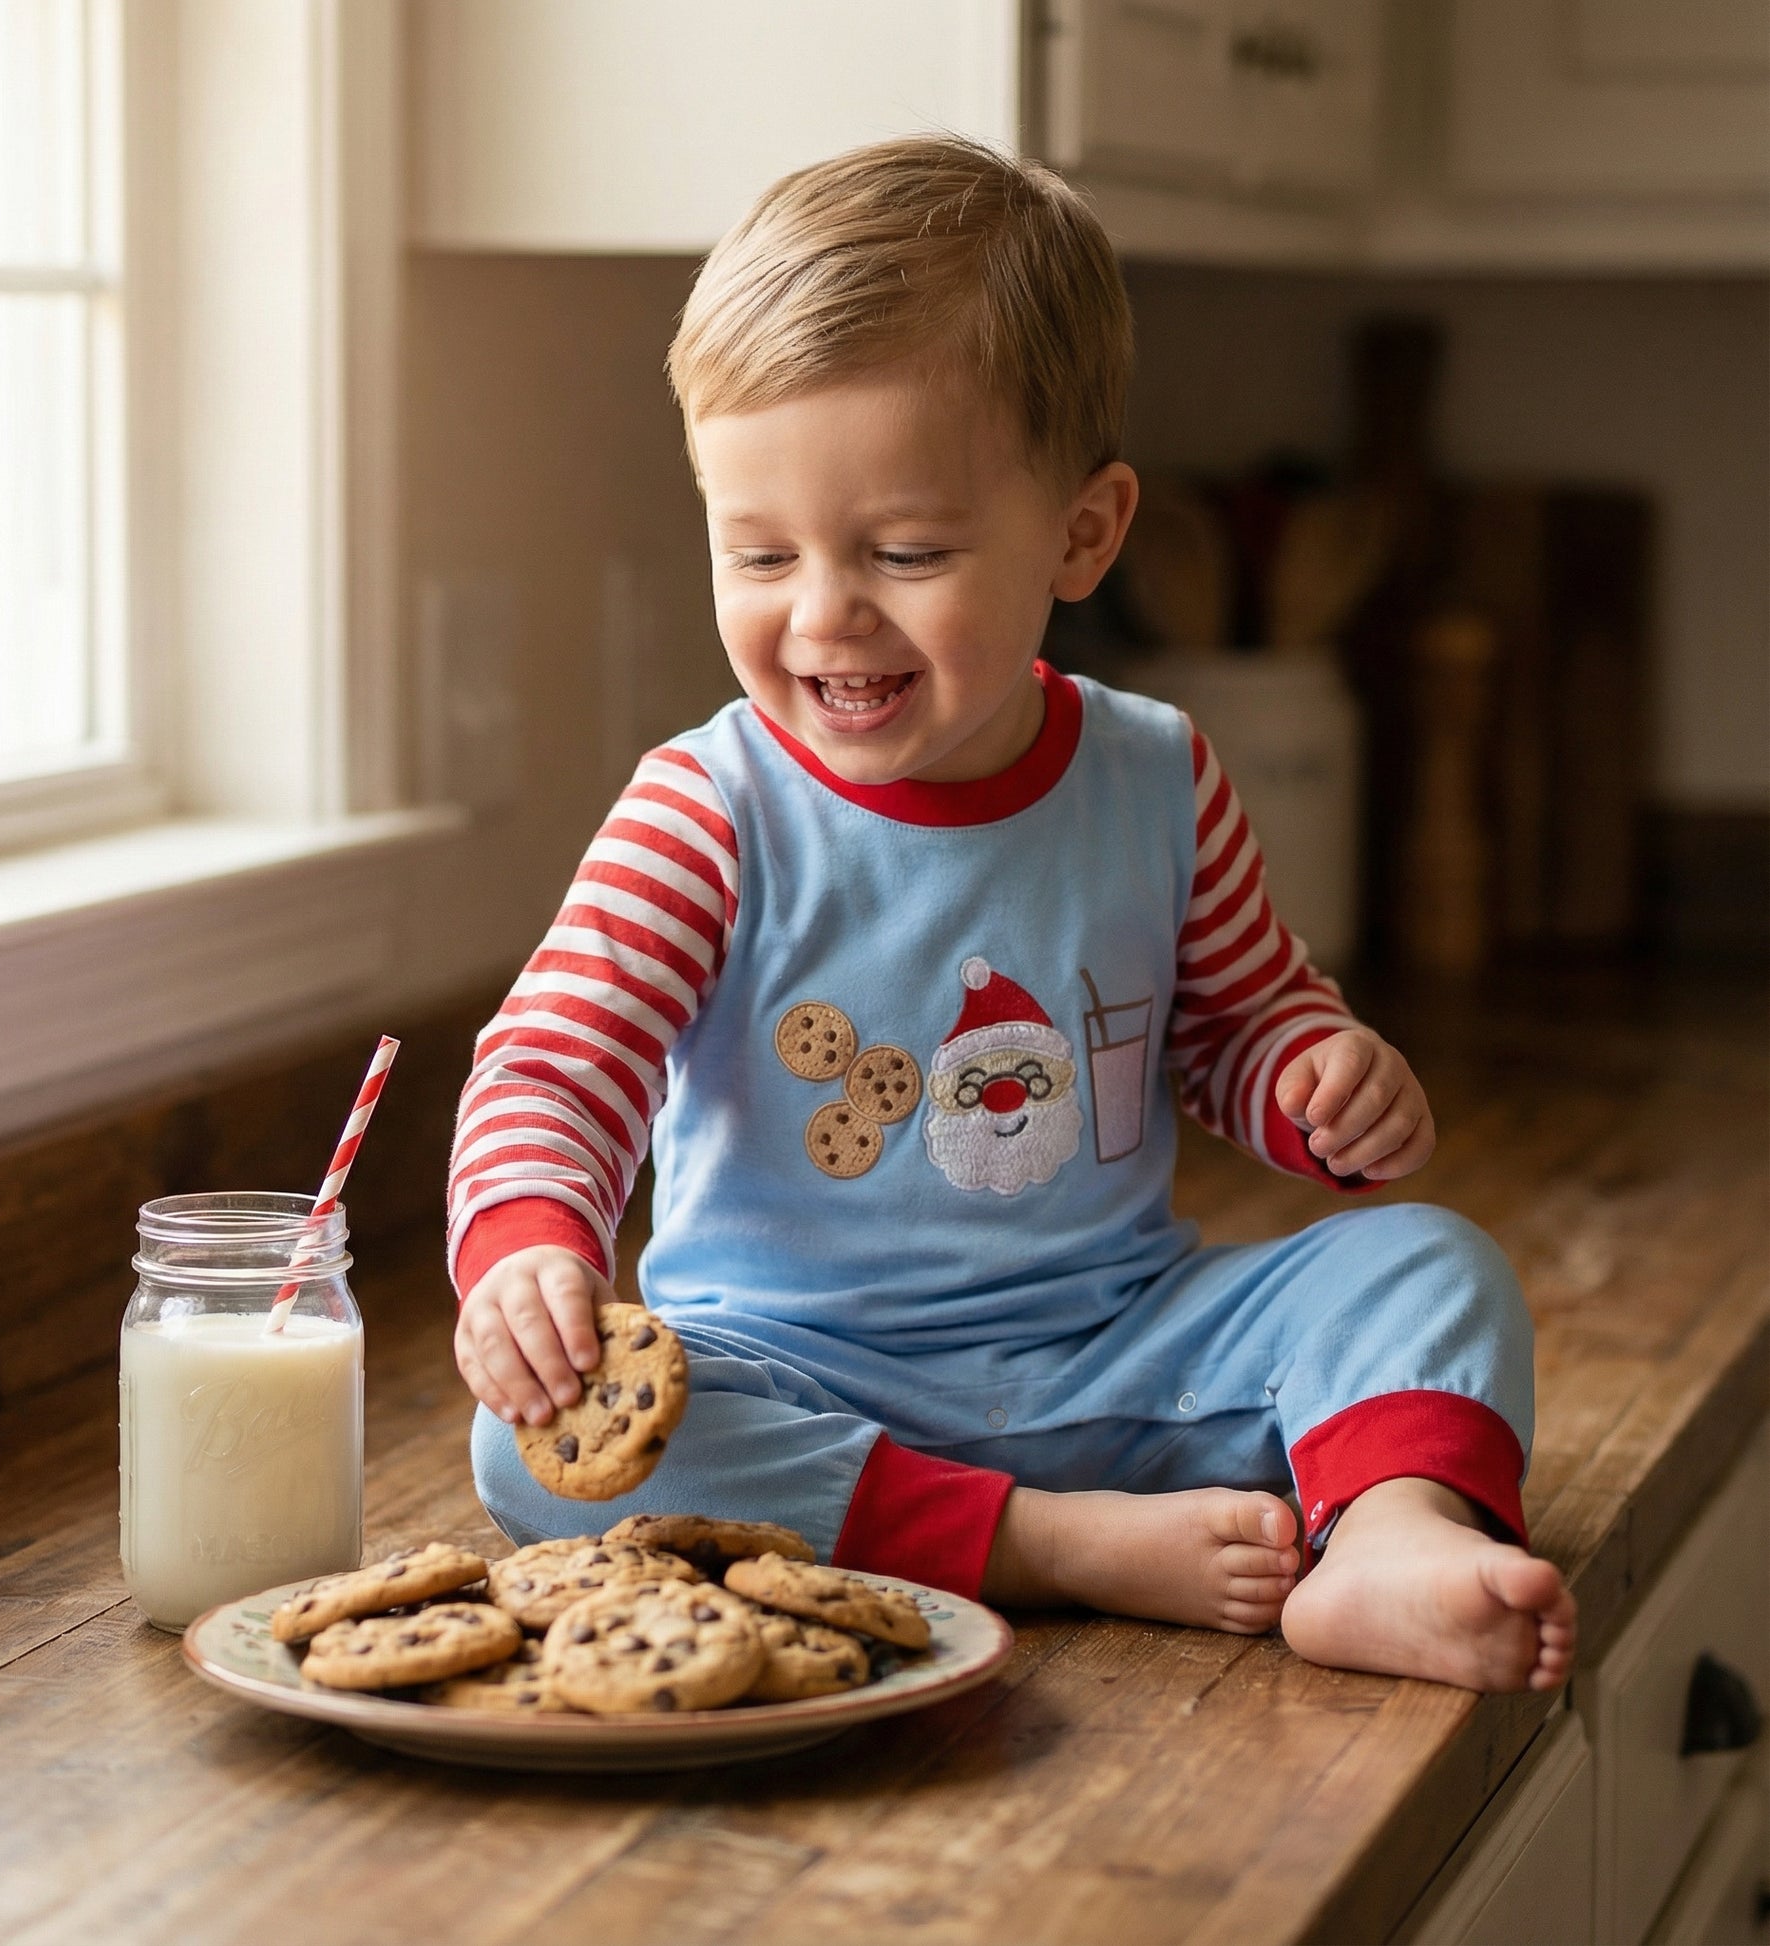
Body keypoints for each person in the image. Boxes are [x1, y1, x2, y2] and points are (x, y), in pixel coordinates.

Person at [446, 135, 1575, 1693]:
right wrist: (527, 1246)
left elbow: (1242, 1025)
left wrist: (1316, 1079)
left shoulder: (1155, 774)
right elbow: (552, 1072)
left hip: (1121, 1350)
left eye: (904, 552)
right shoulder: (703, 813)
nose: (823, 610)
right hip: (795, 1380)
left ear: (1082, 534)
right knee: (531, 1456)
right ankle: (1045, 1541)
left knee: (1428, 1270)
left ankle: (1387, 1538)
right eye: (759, 552)